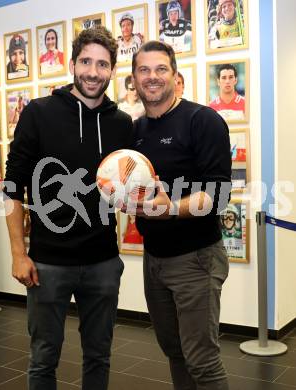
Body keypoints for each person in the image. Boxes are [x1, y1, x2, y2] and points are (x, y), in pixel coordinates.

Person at [4, 25, 133, 390]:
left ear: (112, 69)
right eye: (86, 62)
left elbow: (128, 186)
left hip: (103, 261)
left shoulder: (121, 124)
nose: (94, 72)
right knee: (43, 358)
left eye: (103, 64)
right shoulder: (39, 113)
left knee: (99, 356)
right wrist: (18, 253)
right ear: (72, 63)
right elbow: (13, 186)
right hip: (47, 262)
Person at [129, 40, 231, 390]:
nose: (152, 77)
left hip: (195, 258)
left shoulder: (203, 120)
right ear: (133, 78)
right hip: (153, 257)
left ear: (174, 75)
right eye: (144, 70)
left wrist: (170, 209)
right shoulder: (136, 131)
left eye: (160, 69)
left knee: (202, 360)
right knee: (174, 351)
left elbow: (218, 195)